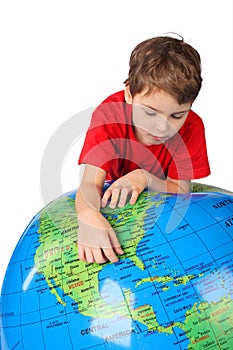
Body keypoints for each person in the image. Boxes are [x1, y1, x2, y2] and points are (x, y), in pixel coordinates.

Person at [75, 35, 210, 264]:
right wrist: (88, 216)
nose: (162, 127)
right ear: (129, 94)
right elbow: (90, 183)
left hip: (164, 214)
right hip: (118, 208)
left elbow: (181, 189)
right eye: (150, 112)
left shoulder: (192, 127)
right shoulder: (109, 115)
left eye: (177, 115)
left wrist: (144, 178)